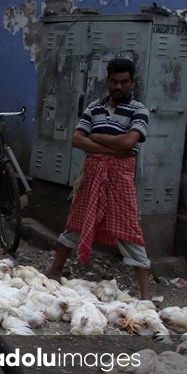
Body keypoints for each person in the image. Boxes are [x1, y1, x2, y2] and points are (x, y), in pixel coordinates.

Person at [44, 57, 152, 300]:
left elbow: (129, 142)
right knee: (76, 223)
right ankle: (54, 270)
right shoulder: (94, 107)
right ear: (107, 81)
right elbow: (77, 139)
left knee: (129, 229)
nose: (119, 86)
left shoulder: (139, 110)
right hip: (92, 176)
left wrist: (96, 138)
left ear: (132, 82)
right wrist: (113, 148)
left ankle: (146, 295)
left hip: (120, 179)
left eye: (124, 82)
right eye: (114, 81)